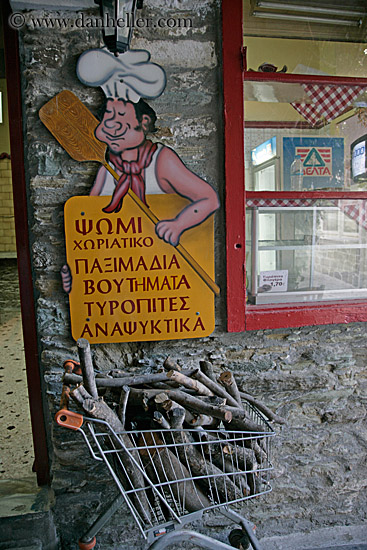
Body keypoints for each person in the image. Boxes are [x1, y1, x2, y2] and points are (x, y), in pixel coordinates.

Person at [90, 96, 220, 246]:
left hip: (162, 262)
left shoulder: (161, 161)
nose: (111, 124)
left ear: (144, 122)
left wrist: (178, 225)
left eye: (120, 115)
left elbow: (209, 199)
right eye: (108, 114)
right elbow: (88, 217)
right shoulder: (107, 169)